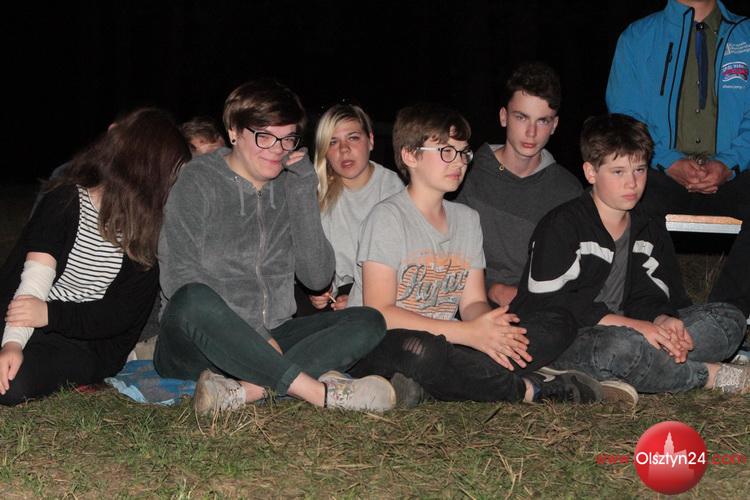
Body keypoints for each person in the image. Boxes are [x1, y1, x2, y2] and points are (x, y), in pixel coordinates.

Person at [155, 79, 396, 415]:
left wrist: (303, 188)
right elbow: (178, 277)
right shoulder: (197, 180)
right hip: (200, 340)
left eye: (287, 139)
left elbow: (317, 277)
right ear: (234, 131)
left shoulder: (290, 184)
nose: (277, 150)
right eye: (265, 137)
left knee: (369, 321)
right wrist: (253, 332)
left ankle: (246, 391)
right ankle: (320, 393)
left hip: (274, 334)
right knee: (192, 297)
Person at [347, 102, 613, 406]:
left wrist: (492, 330)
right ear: (410, 155)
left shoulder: (467, 219)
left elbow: (472, 302)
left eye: (463, 153)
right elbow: (381, 313)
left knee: (558, 322)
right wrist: (468, 333)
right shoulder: (387, 217)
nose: (459, 162)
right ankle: (530, 389)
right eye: (446, 151)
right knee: (422, 350)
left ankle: (434, 384)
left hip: (451, 340)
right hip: (382, 344)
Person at [512, 114, 750, 399]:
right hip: (568, 338)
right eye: (618, 172)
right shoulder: (563, 224)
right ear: (591, 172)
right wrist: (637, 327)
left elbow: (649, 294)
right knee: (621, 347)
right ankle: (707, 375)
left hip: (632, 331)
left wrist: (661, 319)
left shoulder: (646, 225)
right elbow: (549, 304)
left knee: (729, 320)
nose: (632, 183)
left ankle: (642, 368)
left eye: (639, 170)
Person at [0, 108, 191, 406]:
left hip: (84, 342)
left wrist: (49, 314)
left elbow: (116, 316)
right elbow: (35, 278)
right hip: (23, 314)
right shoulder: (66, 198)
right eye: (172, 174)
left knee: (12, 384)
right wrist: (12, 342)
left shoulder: (150, 235)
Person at [606, 0, 750, 317]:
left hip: (734, 172)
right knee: (624, 195)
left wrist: (729, 163)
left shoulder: (745, 35)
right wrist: (667, 160)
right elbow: (626, 116)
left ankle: (722, 317)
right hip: (660, 169)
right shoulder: (638, 37)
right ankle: (668, 314)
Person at [456, 61, 582, 307]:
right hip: (470, 303)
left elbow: (576, 275)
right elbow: (443, 255)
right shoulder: (466, 176)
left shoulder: (569, 191)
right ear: (504, 117)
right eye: (521, 117)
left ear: (554, 125)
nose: (531, 132)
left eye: (542, 121)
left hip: (543, 310)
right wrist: (492, 288)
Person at [298, 104, 403, 315]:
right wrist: (319, 290)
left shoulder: (393, 190)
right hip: (333, 292)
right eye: (333, 142)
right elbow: (308, 257)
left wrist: (359, 297)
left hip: (382, 291)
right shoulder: (314, 190)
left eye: (353, 138)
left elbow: (404, 265)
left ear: (370, 140)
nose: (344, 149)